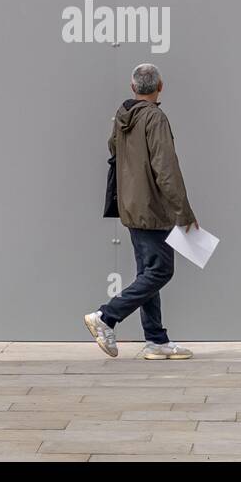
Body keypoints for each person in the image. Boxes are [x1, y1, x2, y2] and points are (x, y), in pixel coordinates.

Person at [85, 64, 198, 360]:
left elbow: (113, 150)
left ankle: (156, 340)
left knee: (147, 272)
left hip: (130, 204)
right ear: (161, 85)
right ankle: (106, 316)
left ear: (133, 86)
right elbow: (166, 169)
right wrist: (183, 212)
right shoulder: (155, 117)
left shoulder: (123, 117)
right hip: (152, 207)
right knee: (161, 270)